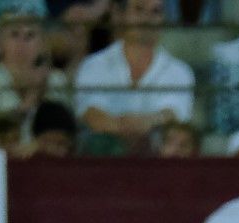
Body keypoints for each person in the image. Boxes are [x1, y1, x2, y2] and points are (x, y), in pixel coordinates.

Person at [73, 0, 196, 153]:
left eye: (156, 12)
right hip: (104, 165)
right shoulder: (93, 65)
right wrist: (135, 127)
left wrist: (139, 124)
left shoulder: (180, 72)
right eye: (139, 9)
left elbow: (173, 116)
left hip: (158, 166)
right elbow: (91, 114)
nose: (147, 18)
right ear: (121, 15)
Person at [0, 0, 71, 150]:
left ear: (42, 44)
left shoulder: (57, 80)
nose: (22, 42)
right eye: (14, 34)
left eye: (30, 35)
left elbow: (65, 140)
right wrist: (31, 98)